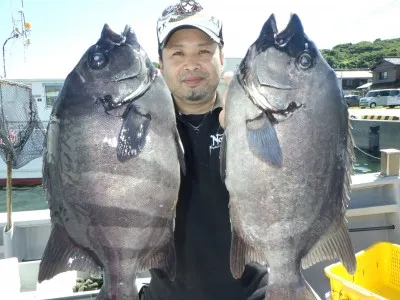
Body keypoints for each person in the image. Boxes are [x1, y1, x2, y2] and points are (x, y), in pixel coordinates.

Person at [139, 1, 269, 299]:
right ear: (161, 64)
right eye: (177, 53)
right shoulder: (141, 130)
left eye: (203, 51)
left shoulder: (256, 117)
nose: (191, 64)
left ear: (222, 57)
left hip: (253, 293)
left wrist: (249, 128)